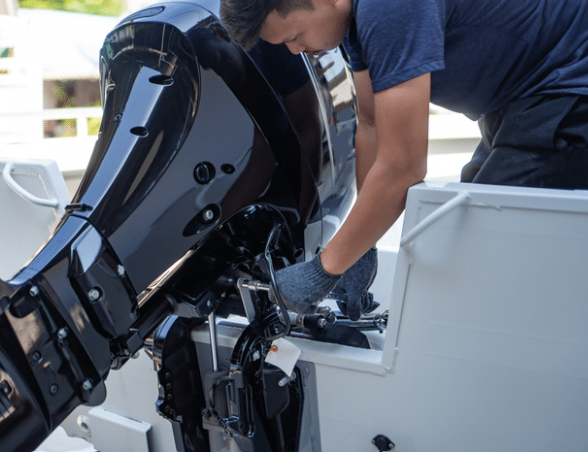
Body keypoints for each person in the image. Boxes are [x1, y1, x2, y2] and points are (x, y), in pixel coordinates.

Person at [220, 0, 588, 317]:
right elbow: (371, 124)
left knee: (484, 250)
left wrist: (323, 269)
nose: (296, 52)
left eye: (293, 37)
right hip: (525, 94)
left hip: (569, 85)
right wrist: (361, 246)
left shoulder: (388, 8)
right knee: (466, 231)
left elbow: (404, 167)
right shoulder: (352, 19)